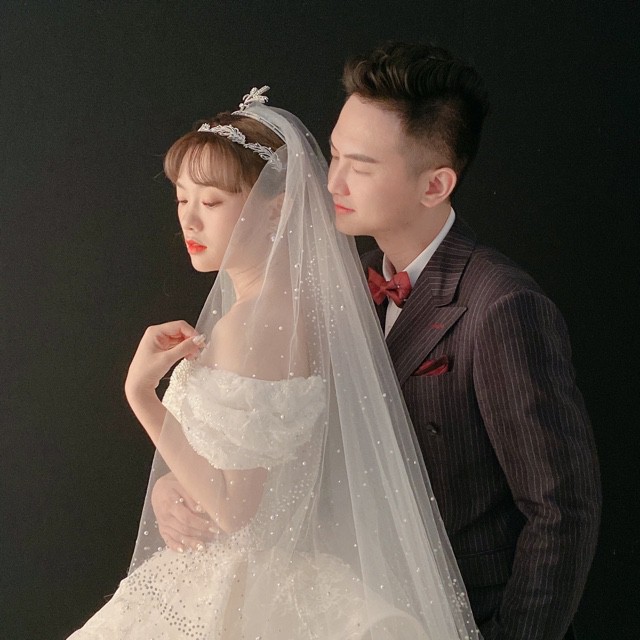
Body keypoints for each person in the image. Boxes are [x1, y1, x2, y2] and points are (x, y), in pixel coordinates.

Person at [156, 43, 602, 640]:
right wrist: (177, 489)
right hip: (338, 611)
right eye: (335, 153)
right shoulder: (339, 285)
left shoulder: (501, 307)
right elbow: (277, 451)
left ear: (435, 184)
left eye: (360, 166)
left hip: (455, 616)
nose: (331, 180)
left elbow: (561, 512)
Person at [67, 88, 481, 639]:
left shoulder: (254, 324)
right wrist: (170, 491)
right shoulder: (287, 308)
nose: (190, 221)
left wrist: (142, 397)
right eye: (182, 199)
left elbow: (235, 508)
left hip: (240, 583)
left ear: (276, 208)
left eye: (212, 202)